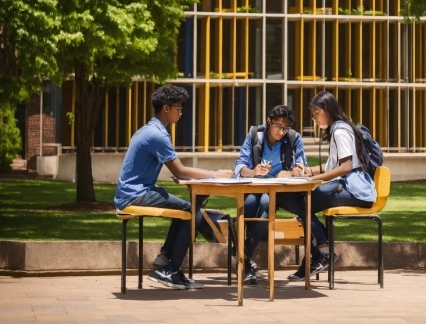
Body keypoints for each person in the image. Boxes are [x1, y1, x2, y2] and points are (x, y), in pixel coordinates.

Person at [114, 85, 232, 290]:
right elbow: (179, 171)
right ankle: (169, 270)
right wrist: (216, 174)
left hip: (137, 191)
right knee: (191, 210)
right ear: (166, 109)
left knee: (187, 209)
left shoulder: (150, 129)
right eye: (178, 107)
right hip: (135, 195)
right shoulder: (157, 135)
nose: (181, 112)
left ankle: (166, 260)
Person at [277, 91, 377, 281]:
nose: (314, 119)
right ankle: (319, 256)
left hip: (355, 190)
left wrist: (317, 179)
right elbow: (335, 165)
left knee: (303, 203)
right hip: (349, 185)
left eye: (316, 114)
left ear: (327, 110)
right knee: (303, 204)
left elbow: (346, 167)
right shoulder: (338, 129)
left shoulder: (340, 132)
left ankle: (323, 254)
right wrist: (310, 171)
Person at [233, 105, 307, 285]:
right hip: (253, 187)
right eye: (278, 126)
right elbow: (239, 165)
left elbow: (302, 166)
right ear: (268, 121)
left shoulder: (293, 138)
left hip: (278, 192)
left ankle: (242, 255)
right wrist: (253, 171)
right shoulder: (254, 136)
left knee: (267, 203)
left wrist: (293, 172)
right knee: (251, 203)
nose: (281, 132)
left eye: (285, 128)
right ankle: (244, 257)